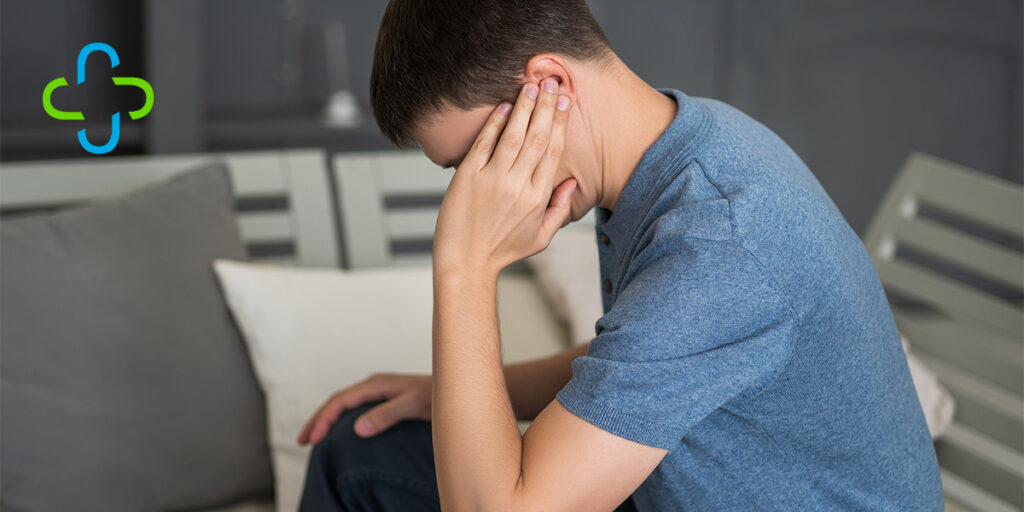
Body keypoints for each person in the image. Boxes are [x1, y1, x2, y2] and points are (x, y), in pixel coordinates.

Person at [296, 1, 944, 510]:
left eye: (471, 161)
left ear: (549, 85)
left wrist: (463, 266)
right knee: (359, 455)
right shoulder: (682, 142)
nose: (472, 189)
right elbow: (634, 365)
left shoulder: (720, 241)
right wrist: (444, 394)